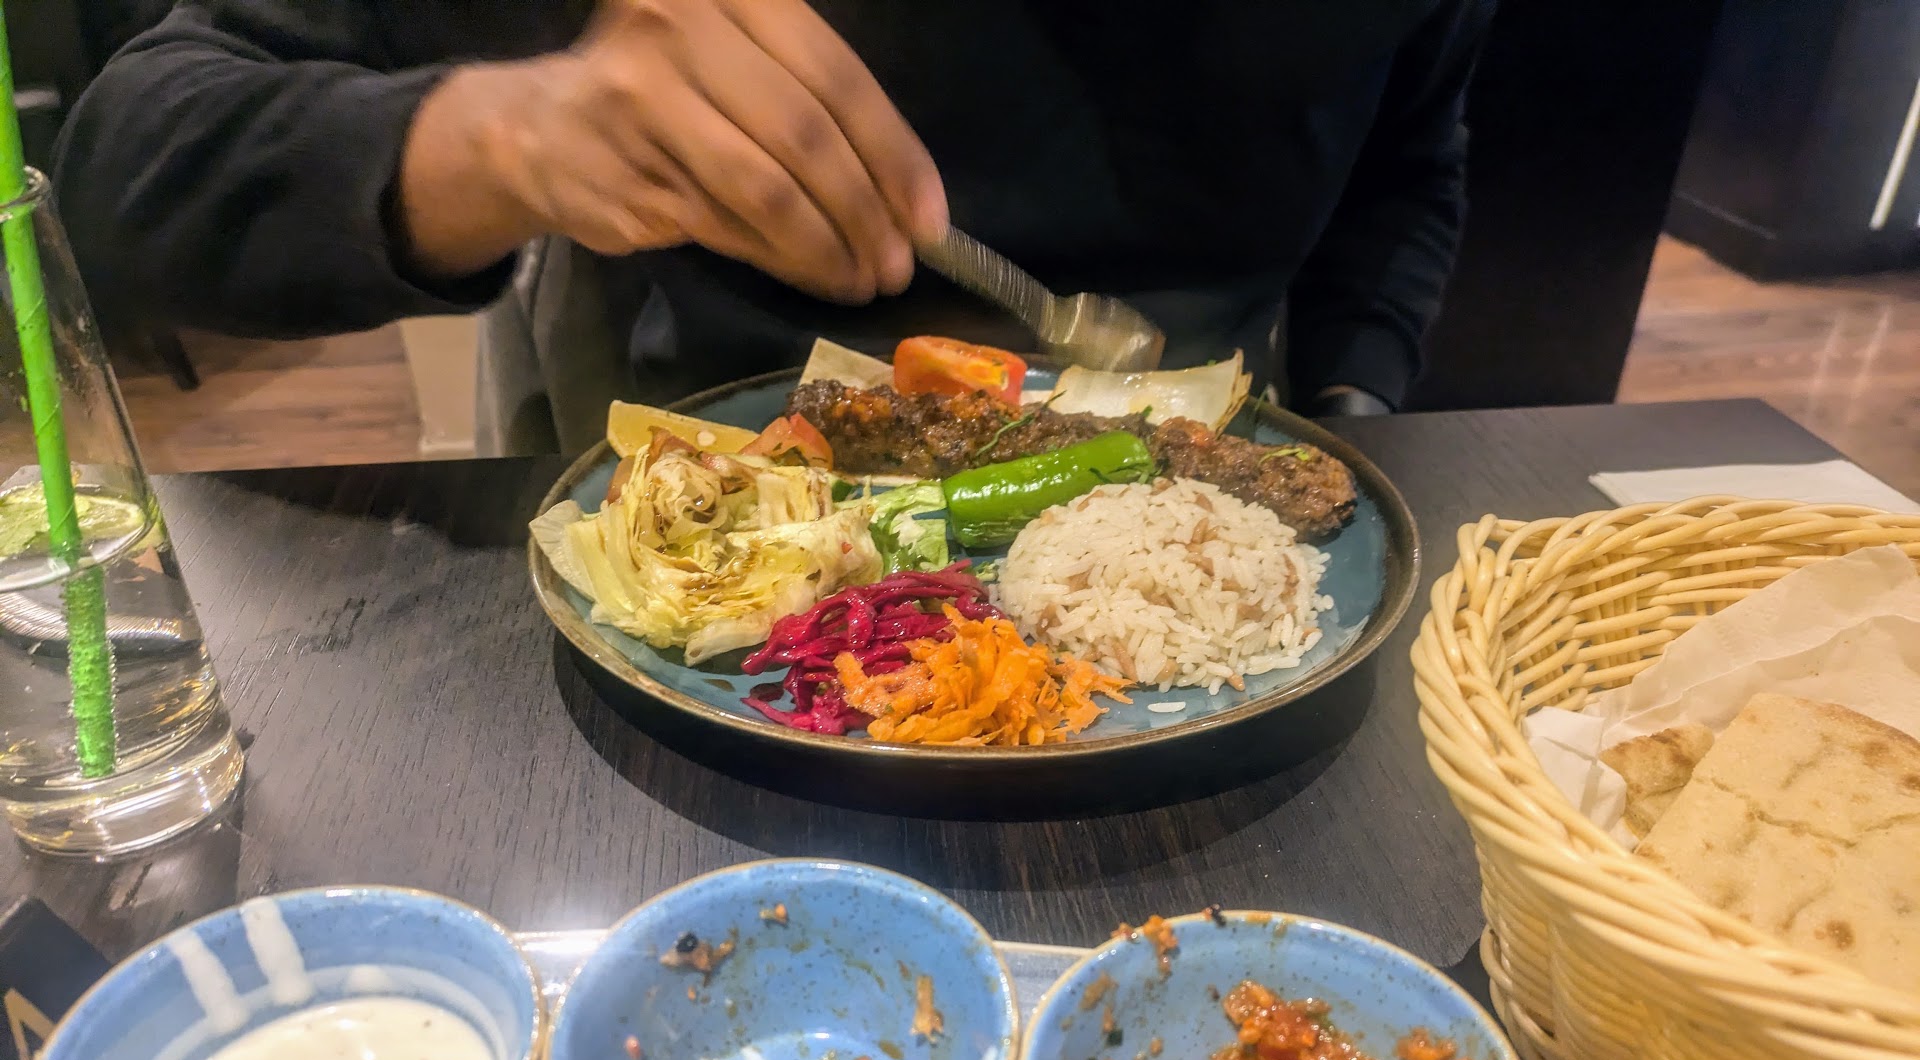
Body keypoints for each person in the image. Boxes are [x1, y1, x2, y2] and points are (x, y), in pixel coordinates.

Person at [55, 1, 1495, 455]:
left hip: (1212, 496)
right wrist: (506, 138)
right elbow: (131, 166)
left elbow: (1405, 165)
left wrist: (1356, 420)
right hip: (740, 500)